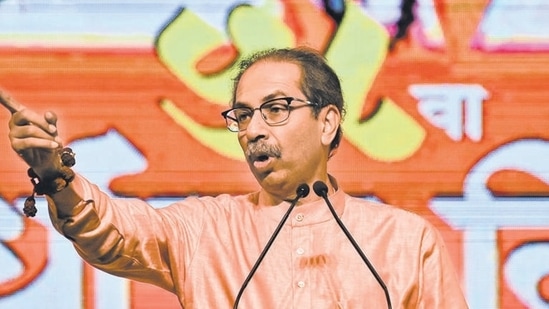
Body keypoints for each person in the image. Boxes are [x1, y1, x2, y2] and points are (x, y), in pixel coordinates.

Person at [7, 47, 468, 308]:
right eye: (243, 115)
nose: (253, 130)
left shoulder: (405, 242)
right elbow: (109, 232)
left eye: (276, 109)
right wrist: (53, 174)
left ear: (328, 123)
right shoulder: (205, 229)